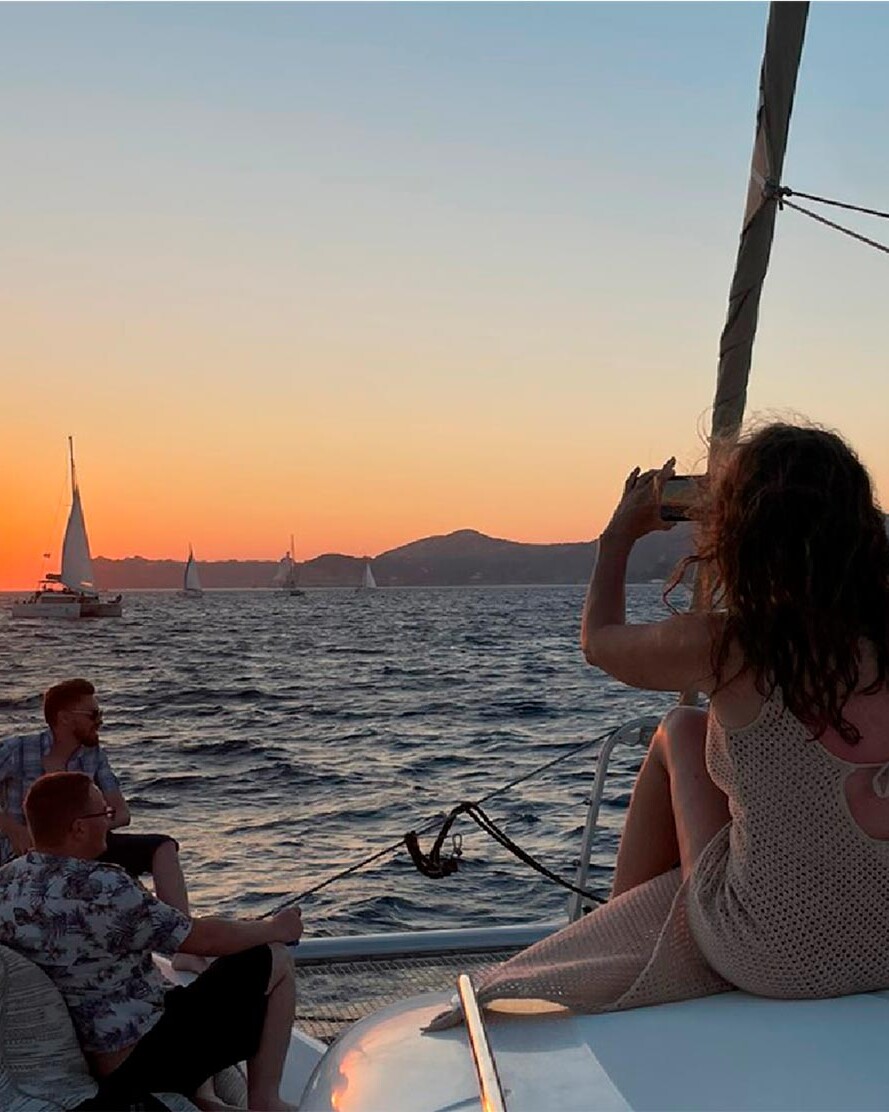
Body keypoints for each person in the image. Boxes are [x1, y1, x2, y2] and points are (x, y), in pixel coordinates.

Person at [433, 422, 889, 1023]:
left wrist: (616, 539)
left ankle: (621, 922)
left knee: (679, 728)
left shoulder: (732, 647)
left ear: (742, 531)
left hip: (774, 957)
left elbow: (599, 643)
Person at [0, 771, 302, 1111]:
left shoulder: (9, 881)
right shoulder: (104, 886)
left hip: (88, 1053)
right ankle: (266, 1100)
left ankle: (204, 1099)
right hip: (140, 1058)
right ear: (79, 827)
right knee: (273, 958)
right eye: (104, 814)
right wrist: (277, 928)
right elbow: (198, 938)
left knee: (178, 996)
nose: (110, 823)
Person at [0, 677, 205, 972]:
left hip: (82, 845)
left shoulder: (93, 756)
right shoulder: (18, 749)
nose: (100, 721)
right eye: (93, 714)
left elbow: (121, 812)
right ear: (64, 718)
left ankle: (184, 946)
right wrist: (11, 827)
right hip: (27, 853)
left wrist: (85, 827)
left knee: (162, 846)